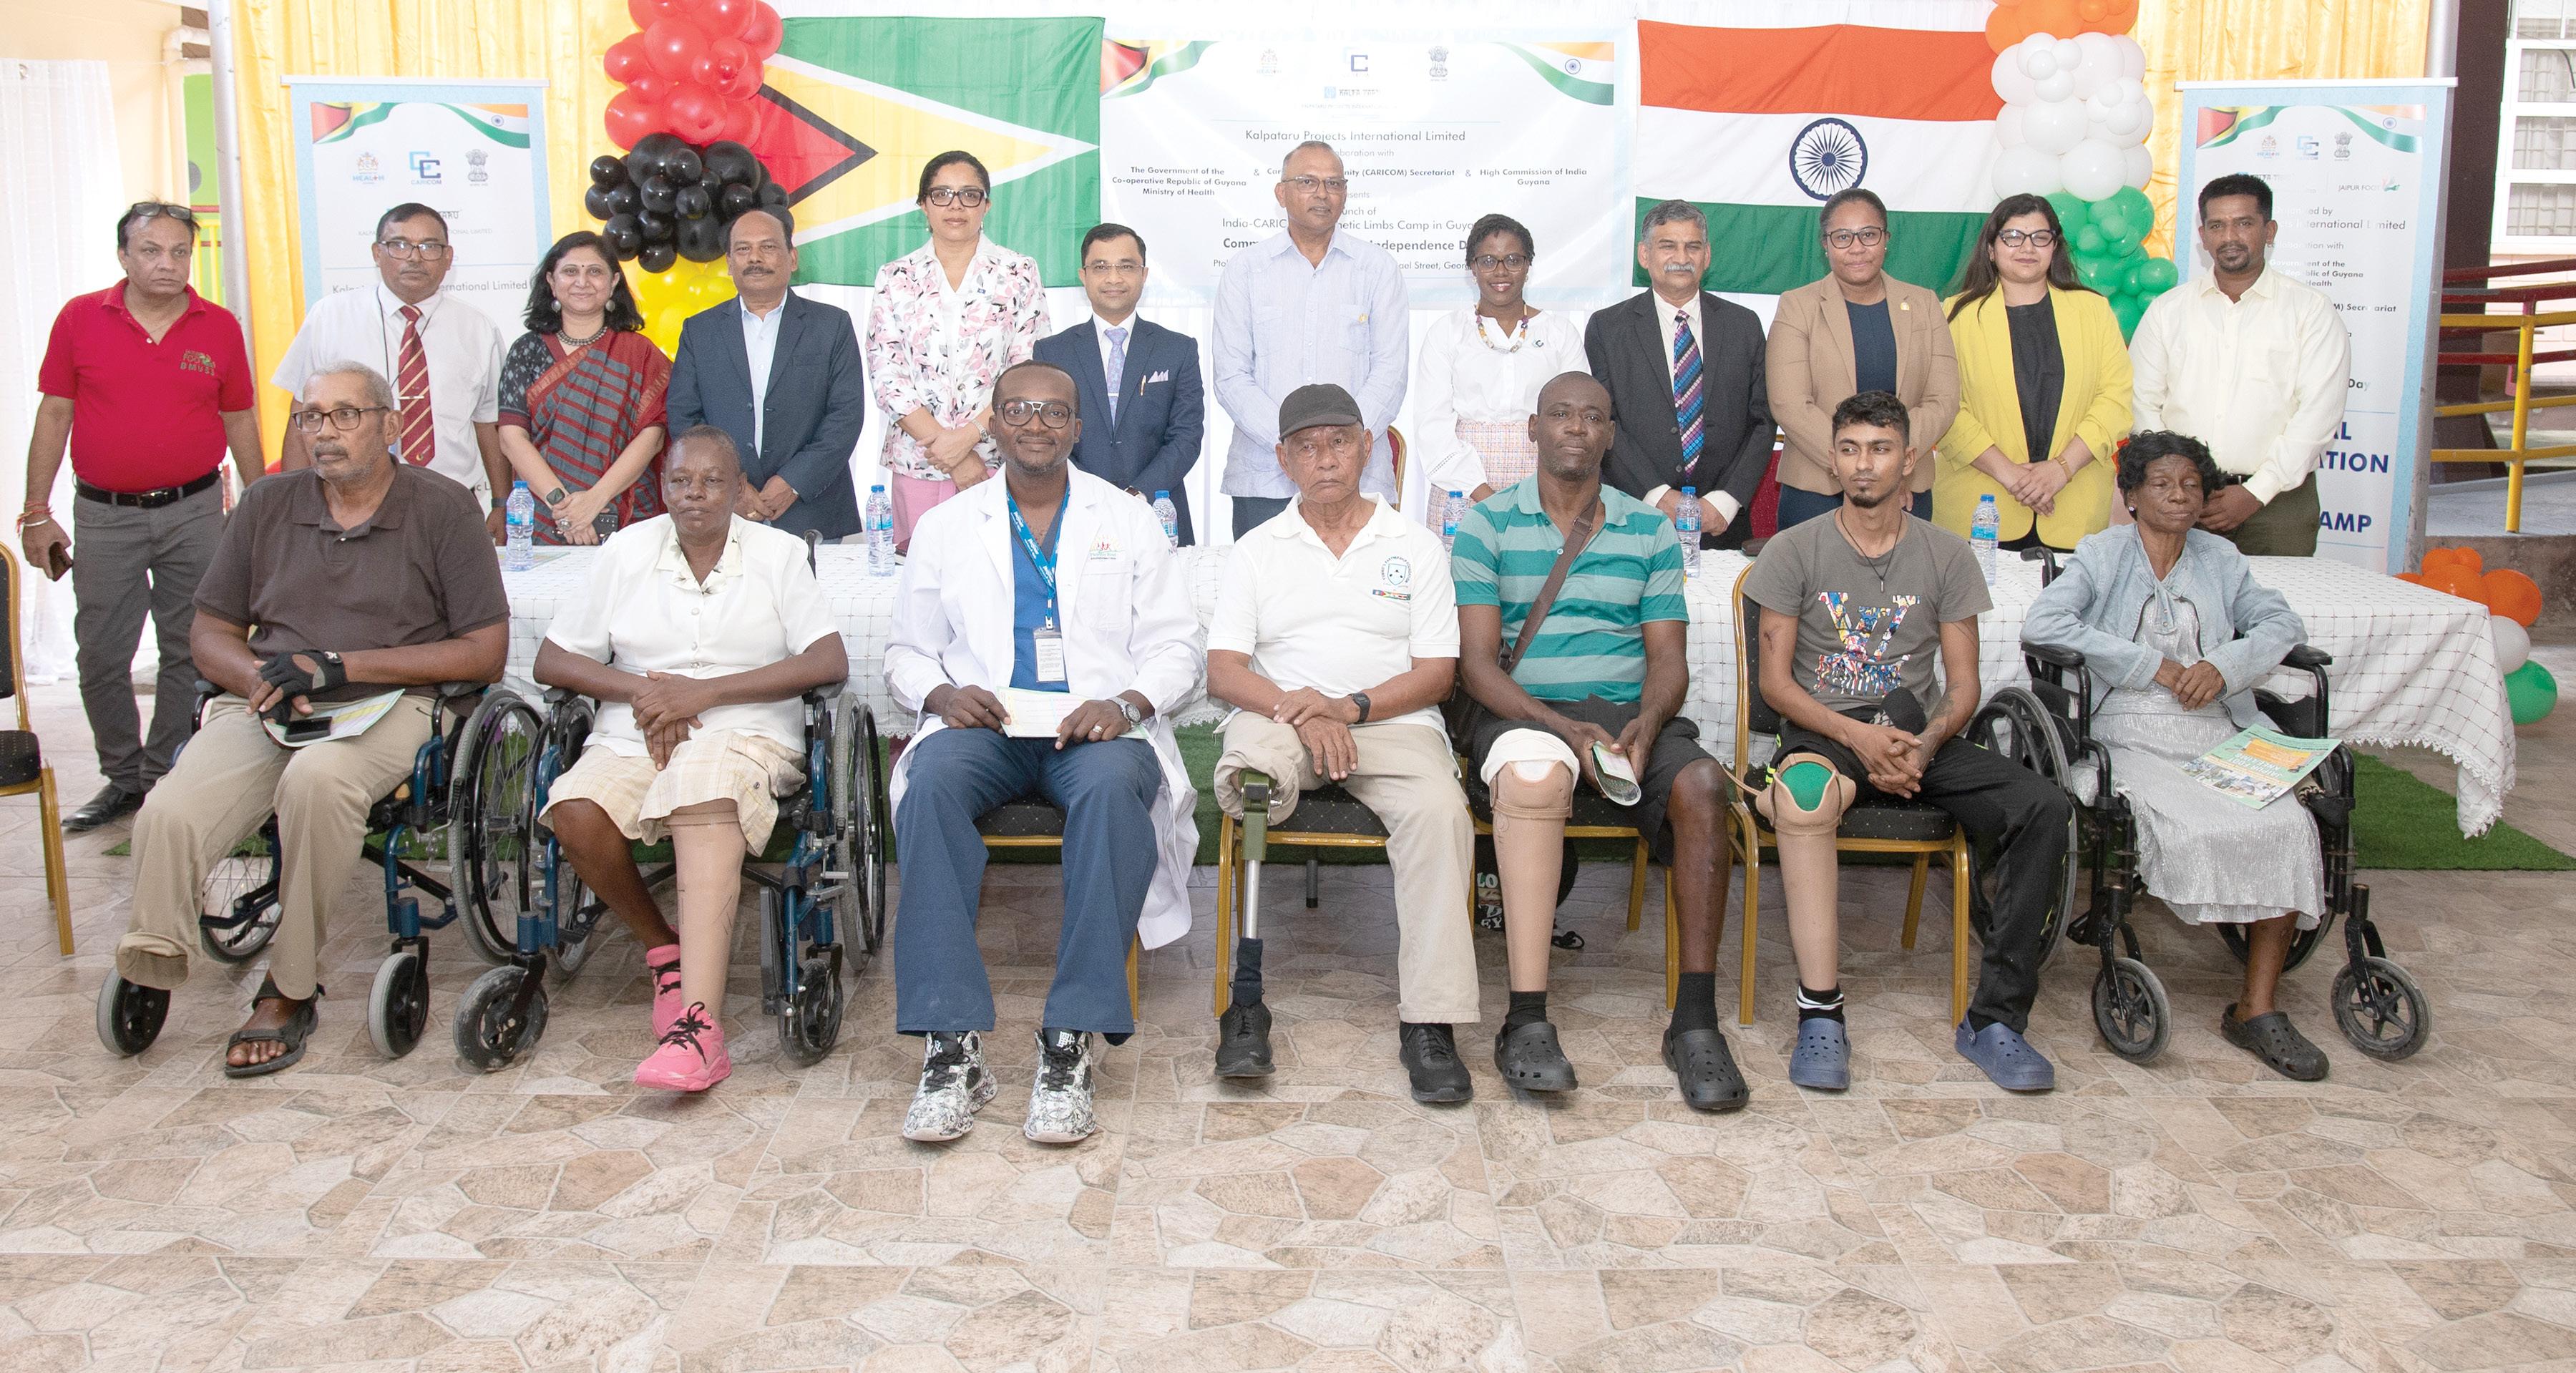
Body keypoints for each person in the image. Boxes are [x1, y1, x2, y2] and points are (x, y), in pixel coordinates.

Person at [111, 362, 508, 1076]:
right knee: (170, 808)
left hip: (397, 699)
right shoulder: (267, 503)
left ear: (390, 424)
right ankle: (155, 951)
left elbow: (485, 651)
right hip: (271, 697)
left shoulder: (443, 507)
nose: (324, 431)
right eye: (311, 417)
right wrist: (258, 678)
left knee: (318, 782)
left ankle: (289, 987)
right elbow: (210, 630)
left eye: (345, 414)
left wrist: (339, 667)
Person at [884, 361, 1201, 1145]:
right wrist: (941, 694)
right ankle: (950, 1044)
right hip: (985, 725)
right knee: (929, 786)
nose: (1035, 423)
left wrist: (1126, 703)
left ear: (1077, 428)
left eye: (1054, 412)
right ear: (993, 423)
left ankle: (1070, 1040)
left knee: (1114, 792)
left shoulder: (1126, 518)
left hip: (1092, 726)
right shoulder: (948, 525)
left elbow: (1177, 646)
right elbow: (906, 650)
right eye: (1019, 409)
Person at [1745, 391, 2072, 1093]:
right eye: (1850, 449)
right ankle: (1820, 1010)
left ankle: (1996, 1020)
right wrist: (1857, 737)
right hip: (1827, 729)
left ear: (1909, 460)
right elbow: (1776, 684)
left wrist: (1921, 746)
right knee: (1803, 799)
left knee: (2042, 805)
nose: (1864, 464)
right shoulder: (1793, 549)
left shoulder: (1947, 554)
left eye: (1880, 448)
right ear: (1832, 461)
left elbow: (1963, 685)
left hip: (1915, 734)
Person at [1451, 371, 1745, 1112]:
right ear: (1534, 428)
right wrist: (1561, 728)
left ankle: (1696, 1020)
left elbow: (1669, 658)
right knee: (1536, 777)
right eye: (1560, 414)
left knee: (1703, 785)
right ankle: (1526, 1019)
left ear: (1611, 434)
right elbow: (1477, 666)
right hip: (1527, 712)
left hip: (1624, 715)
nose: (1576, 427)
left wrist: (1648, 719)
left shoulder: (1649, 530)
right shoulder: (1487, 525)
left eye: (1592, 417)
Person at [532, 426, 849, 1091]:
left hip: (745, 730)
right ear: (663, 487)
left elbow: (828, 660)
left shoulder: (778, 553)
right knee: (574, 809)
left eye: (712, 481)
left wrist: (703, 693)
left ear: (738, 489)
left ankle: (700, 1030)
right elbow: (553, 659)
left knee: (702, 789)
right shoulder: (627, 550)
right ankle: (664, 951)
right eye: (680, 481)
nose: (695, 494)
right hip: (638, 729)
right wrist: (650, 696)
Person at [2022, 430, 2326, 1079]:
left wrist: (2225, 664)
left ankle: (2257, 1008)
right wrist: (2148, 664)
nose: (2179, 495)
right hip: (2126, 728)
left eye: (2191, 484)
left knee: (2288, 824)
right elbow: (2045, 623)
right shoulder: (2104, 553)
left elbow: (2281, 624)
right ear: (2131, 495)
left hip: (2215, 729)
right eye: (2161, 484)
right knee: (2187, 824)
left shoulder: (2222, 558)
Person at [1206, 383, 1476, 1102]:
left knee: (1441, 812)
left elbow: (1437, 674)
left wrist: (1348, 707)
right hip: (1281, 714)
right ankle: (1246, 1000)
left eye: (1338, 442)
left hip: (1390, 721)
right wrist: (1307, 711)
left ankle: (1431, 1019)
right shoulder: (1258, 549)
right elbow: (1224, 670)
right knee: (1251, 779)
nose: (1324, 458)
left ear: (1367, 447)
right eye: (1307, 447)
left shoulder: (1415, 545)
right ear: (1283, 459)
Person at [24, 202, 260, 833]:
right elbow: (54, 413)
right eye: (151, 251)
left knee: (195, 646)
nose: (167, 264)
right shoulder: (80, 318)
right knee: (102, 652)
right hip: (105, 515)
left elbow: (238, 416)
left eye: (180, 252)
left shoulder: (219, 326)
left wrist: (260, 504)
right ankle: (122, 776)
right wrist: (35, 512)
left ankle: (162, 773)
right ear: (123, 256)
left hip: (196, 510)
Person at [2129, 175, 2351, 555]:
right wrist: (2182, 482)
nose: (2229, 237)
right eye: (2217, 226)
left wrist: (2255, 492)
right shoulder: (2168, 311)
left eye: (2244, 223)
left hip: (2278, 503)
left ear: (2269, 231)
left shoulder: (2310, 310)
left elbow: (2318, 414)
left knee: (2277, 597)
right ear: (2203, 236)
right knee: (2177, 595)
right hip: (2182, 502)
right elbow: (2141, 402)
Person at [1212, 141, 1410, 538]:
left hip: (1359, 482)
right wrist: (1294, 445)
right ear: (1281, 193)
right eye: (1307, 182)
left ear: (1345, 195)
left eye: (1334, 183)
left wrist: (1341, 450)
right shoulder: (1246, 270)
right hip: (1265, 480)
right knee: (1266, 581)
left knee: (1363, 580)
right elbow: (1231, 377)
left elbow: (1390, 374)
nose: (1322, 193)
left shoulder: (1377, 269)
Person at [272, 203, 509, 531]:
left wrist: (501, 503)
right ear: (377, 253)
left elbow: (489, 423)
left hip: (452, 505)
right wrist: (292, 507)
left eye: (429, 247)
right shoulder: (330, 317)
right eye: (399, 245)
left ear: (448, 257)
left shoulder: (478, 328)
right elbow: (302, 414)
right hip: (351, 506)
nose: (414, 258)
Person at [863, 151, 1052, 545]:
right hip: (919, 461)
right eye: (942, 194)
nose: (955, 206)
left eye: (969, 194)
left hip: (996, 460)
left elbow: (1028, 372)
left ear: (986, 205)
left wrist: (970, 438)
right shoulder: (896, 276)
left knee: (998, 573)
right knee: (920, 575)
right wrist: (951, 453)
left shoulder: (1018, 272)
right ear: (923, 204)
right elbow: (887, 377)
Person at [1934, 195, 2132, 552]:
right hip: (1979, 507)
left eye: (2040, 237)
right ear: (1991, 248)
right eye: (2013, 237)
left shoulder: (2094, 310)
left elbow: (2115, 400)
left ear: (2055, 247)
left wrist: (2061, 469)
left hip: (2073, 506)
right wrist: (2011, 476)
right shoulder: (1955, 315)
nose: (2027, 247)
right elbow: (1944, 406)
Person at [668, 207, 869, 542]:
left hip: (812, 510)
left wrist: (793, 483)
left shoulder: (832, 325)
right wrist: (734, 485)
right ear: (729, 263)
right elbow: (685, 418)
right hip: (725, 511)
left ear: (792, 258)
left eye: (768, 247)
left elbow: (845, 416)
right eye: (743, 249)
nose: (755, 258)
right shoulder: (699, 331)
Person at [1767, 188, 1960, 529]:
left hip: (1905, 492)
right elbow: (1790, 404)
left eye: (1868, 235)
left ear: (1886, 240)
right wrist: (1857, 469)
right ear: (1825, 244)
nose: (1857, 247)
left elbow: (1942, 400)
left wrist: (1891, 468)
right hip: (1818, 491)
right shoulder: (1797, 306)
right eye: (1843, 237)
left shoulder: (1924, 304)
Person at [1583, 200, 1771, 547]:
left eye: (1693, 246)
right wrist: (1656, 495)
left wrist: (1725, 501)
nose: (1681, 257)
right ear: (1644, 255)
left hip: (1721, 523)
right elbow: (1604, 422)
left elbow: (1762, 421)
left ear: (1707, 256)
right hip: (1634, 516)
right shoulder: (1607, 328)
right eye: (1667, 245)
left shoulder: (1744, 326)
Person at [1033, 223, 1206, 543]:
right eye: (1101, 267)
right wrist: (1093, 494)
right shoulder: (1052, 352)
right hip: (1076, 511)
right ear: (1083, 276)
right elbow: (1047, 436)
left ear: (1144, 274)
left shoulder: (1178, 349)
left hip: (1157, 512)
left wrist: (1139, 493)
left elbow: (1187, 437)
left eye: (1126, 267)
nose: (1113, 278)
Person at [495, 231, 670, 546]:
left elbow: (653, 436)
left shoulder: (640, 353)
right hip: (544, 517)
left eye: (595, 271)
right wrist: (564, 507)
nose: (582, 282)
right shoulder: (527, 350)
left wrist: (594, 501)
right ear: (551, 281)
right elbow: (511, 438)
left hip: (626, 518)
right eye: (570, 271)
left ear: (614, 281)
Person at [1411, 214, 1586, 519]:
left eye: (1513, 260)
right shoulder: (1447, 332)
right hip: (1461, 489)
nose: (1501, 271)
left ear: (1528, 266)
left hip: (1543, 487)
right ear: (1473, 268)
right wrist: (1484, 495)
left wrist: (1542, 490)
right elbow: (1432, 428)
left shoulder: (1559, 333)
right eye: (1488, 261)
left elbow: (1576, 420)